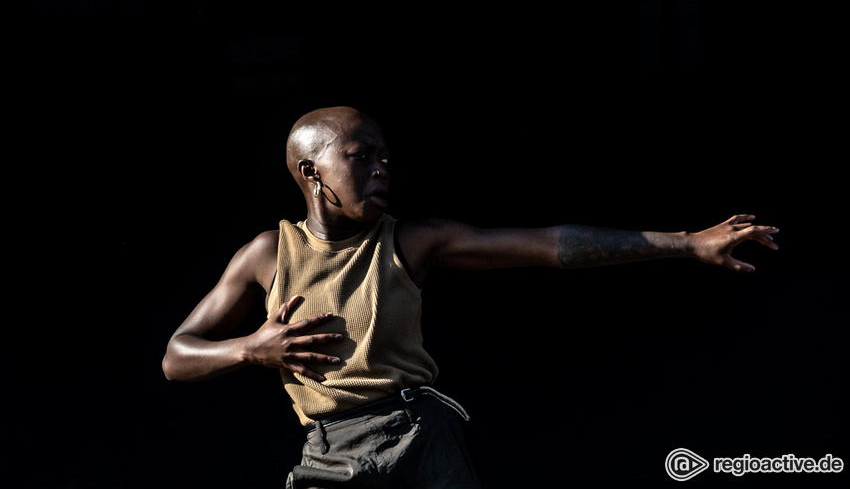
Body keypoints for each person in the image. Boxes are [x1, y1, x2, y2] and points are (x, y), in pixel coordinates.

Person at [162, 106, 779, 488]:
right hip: (329, 450)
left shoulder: (411, 241)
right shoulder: (267, 255)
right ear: (312, 173)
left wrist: (685, 243)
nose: (381, 168)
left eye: (384, 158)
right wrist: (251, 349)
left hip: (419, 438)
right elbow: (177, 355)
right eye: (360, 157)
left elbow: (545, 244)